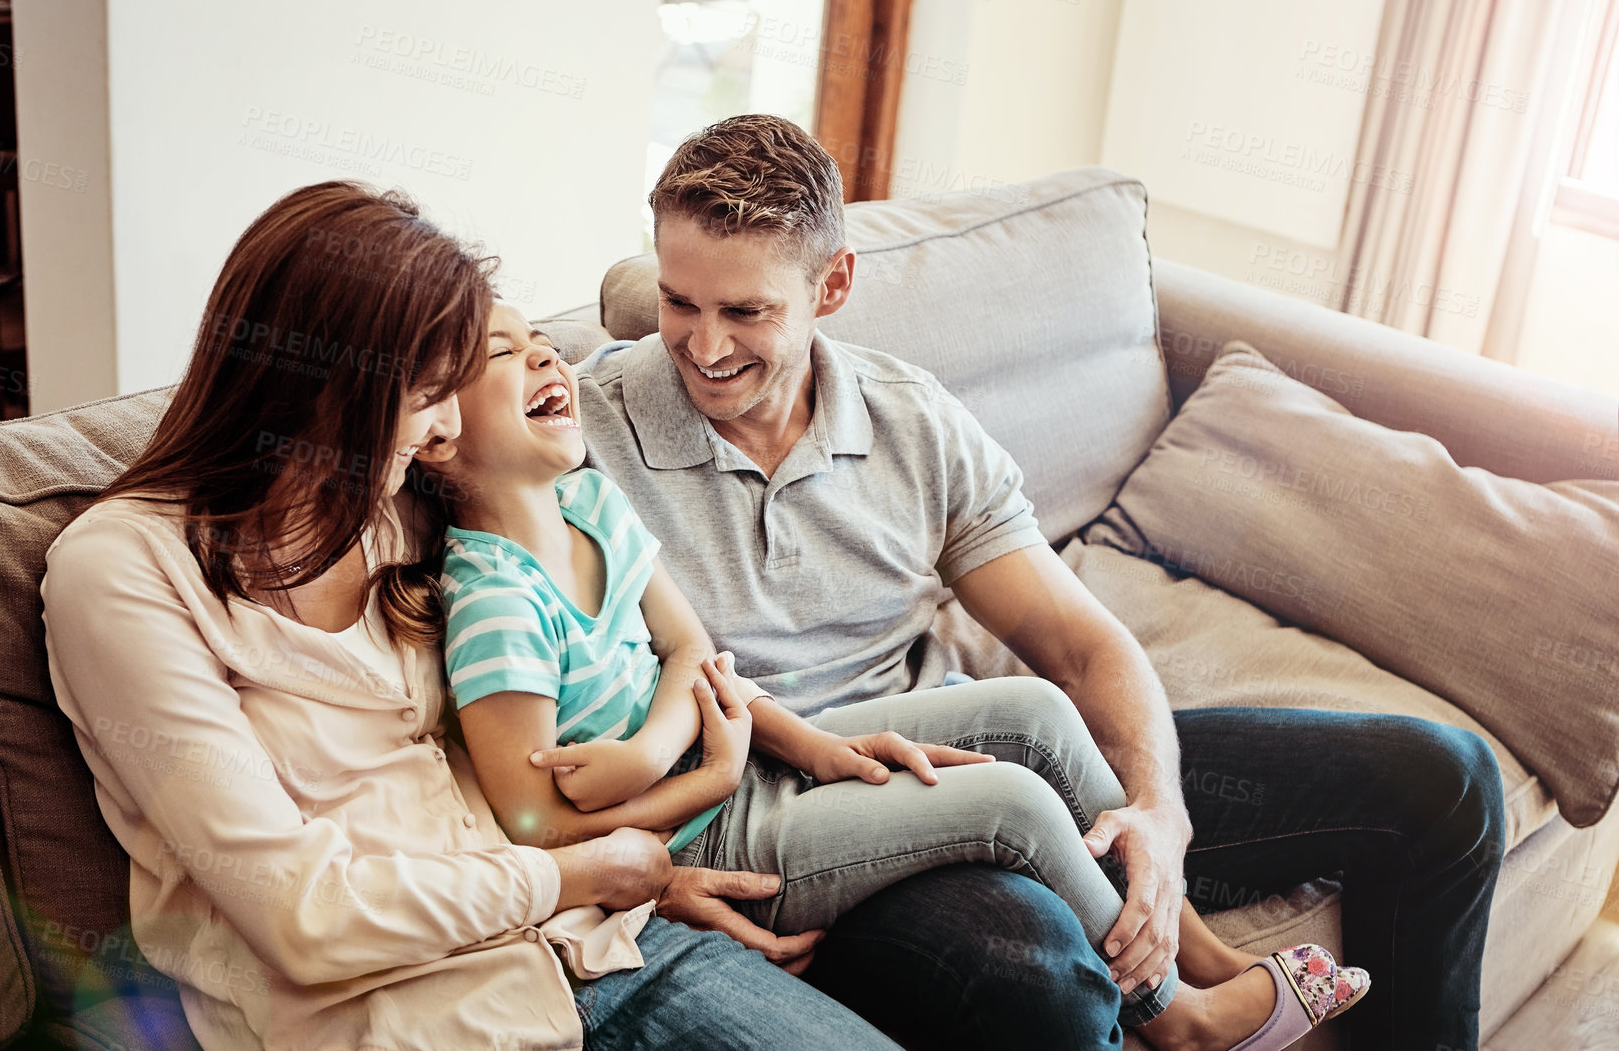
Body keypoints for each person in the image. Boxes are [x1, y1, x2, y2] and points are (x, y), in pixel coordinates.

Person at [571, 114, 1508, 1051]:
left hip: (964, 749)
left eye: (745, 313)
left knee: (1443, 784)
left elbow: (1079, 646)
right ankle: (1183, 1013)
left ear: (834, 285)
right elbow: (493, 726)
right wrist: (641, 870)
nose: (702, 346)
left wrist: (1156, 814)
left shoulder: (908, 420)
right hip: (799, 836)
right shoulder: (575, 436)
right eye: (678, 302)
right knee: (1040, 982)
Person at [41, 181, 904, 1050]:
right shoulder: (123, 573)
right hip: (413, 1016)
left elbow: (521, 738)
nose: (445, 423)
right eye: (428, 391)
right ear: (330, 385)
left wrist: (644, 871)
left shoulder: (390, 509)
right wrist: (577, 871)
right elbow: (300, 915)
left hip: (604, 943)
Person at [412, 299, 1372, 1051]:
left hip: (741, 765)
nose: (547, 355)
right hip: (708, 843)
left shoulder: (590, 503)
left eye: (538, 336)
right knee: (1012, 804)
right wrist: (698, 775)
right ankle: (1182, 1022)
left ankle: (1192, 949)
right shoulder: (496, 603)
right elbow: (529, 825)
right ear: (435, 436)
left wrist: (796, 748)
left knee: (1037, 713)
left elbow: (698, 658)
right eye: (505, 354)